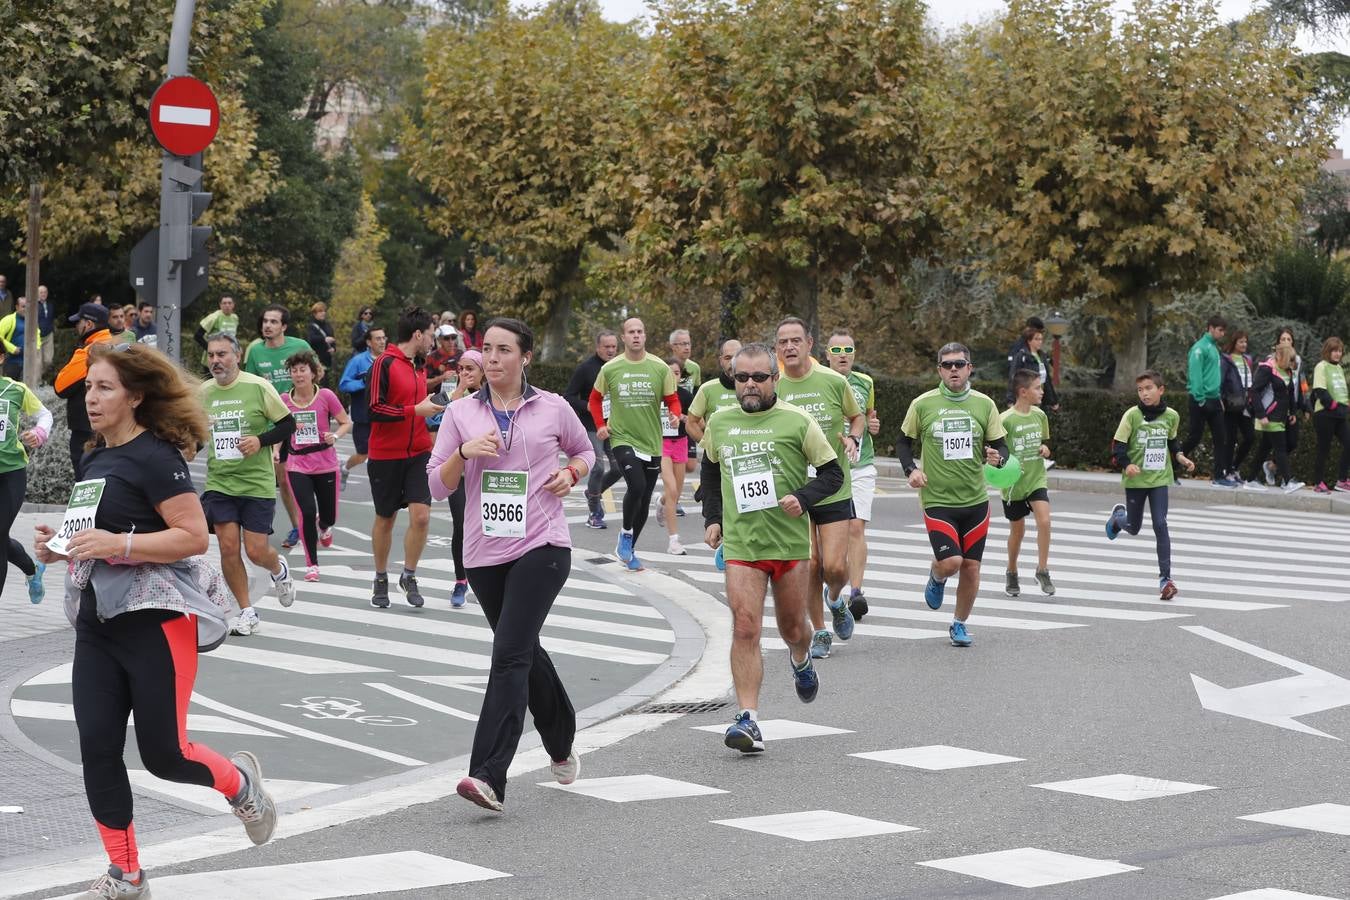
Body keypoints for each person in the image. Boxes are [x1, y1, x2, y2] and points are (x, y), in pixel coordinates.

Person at [33, 342, 277, 899]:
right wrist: (59, 547)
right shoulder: (94, 458)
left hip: (156, 624)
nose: (91, 399)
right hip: (99, 625)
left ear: (136, 396)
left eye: (104, 388)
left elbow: (193, 537)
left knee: (165, 754)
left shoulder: (155, 458)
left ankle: (241, 785)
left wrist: (118, 543)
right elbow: (88, 536)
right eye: (90, 388)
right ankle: (127, 874)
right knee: (97, 746)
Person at [428, 317, 593, 811]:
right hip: (482, 552)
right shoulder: (461, 412)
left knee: (509, 656)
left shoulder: (552, 407)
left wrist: (570, 472)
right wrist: (463, 451)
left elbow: (584, 451)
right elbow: (438, 484)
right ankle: (560, 740)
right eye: (487, 350)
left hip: (542, 545)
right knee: (521, 648)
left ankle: (487, 776)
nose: (493, 359)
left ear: (525, 358)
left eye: (504, 350)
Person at [699, 343, 840, 753]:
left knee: (793, 628)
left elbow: (831, 474)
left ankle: (801, 658)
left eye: (759, 377)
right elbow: (709, 469)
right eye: (741, 378)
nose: (750, 385)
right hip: (743, 545)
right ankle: (748, 719)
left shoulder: (798, 421)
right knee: (745, 627)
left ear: (774, 379)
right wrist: (713, 517)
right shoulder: (721, 422)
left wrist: (804, 496)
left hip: (789, 543)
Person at [898, 342, 1010, 648]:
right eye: (947, 365)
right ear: (939, 371)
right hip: (938, 500)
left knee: (972, 567)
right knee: (952, 562)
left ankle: (959, 624)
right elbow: (903, 442)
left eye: (959, 364)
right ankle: (937, 574)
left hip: (975, 500)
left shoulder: (984, 404)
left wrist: (997, 456)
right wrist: (911, 470)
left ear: (969, 368)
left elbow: (1001, 445)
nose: (954, 370)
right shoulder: (923, 404)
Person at [775, 317, 863, 659]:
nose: (790, 347)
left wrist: (854, 437)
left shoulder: (832, 381)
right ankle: (821, 630)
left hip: (832, 484)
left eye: (796, 340)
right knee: (810, 564)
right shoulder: (775, 384)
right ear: (777, 348)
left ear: (810, 344)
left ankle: (835, 599)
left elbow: (856, 417)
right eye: (783, 342)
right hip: (794, 489)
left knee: (836, 568)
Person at [200, 333, 299, 635]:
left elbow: (288, 424)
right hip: (220, 481)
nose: (216, 360)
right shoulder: (203, 392)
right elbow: (192, 430)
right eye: (211, 355)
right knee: (228, 548)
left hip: (256, 483)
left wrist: (260, 441)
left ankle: (278, 569)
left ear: (238, 356)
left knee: (256, 551)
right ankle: (247, 611)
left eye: (222, 354)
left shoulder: (258, 387)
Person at [367, 306, 445, 609]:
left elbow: (418, 402)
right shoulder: (383, 363)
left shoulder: (420, 365)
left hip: (419, 452)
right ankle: (381, 576)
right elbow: (374, 409)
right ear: (417, 334)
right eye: (430, 335)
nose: (433, 341)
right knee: (386, 519)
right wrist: (415, 411)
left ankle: (409, 575)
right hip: (386, 455)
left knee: (422, 516)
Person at [588, 317, 681, 572]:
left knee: (644, 497)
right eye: (631, 332)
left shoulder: (660, 367)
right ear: (624, 337)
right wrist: (600, 425)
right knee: (636, 486)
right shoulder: (611, 368)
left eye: (640, 331)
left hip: (651, 441)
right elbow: (594, 401)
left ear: (645, 336)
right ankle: (626, 535)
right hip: (622, 437)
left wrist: (674, 414)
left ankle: (628, 549)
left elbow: (672, 400)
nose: (636, 335)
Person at [1105, 369, 1195, 600]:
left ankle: (1166, 579)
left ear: (1161, 390)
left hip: (1159, 479)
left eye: (1148, 389)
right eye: (1140, 390)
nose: (1144, 394)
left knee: (1160, 523)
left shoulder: (1172, 416)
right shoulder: (1132, 416)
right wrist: (1127, 465)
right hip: (1136, 480)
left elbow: (1172, 442)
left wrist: (1181, 457)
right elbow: (1117, 448)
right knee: (1133, 527)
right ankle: (1117, 519)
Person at [824, 329, 881, 620]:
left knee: (856, 527)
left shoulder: (866, 382)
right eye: (837, 351)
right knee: (830, 536)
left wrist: (872, 427)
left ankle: (856, 592)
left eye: (848, 350)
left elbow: (869, 417)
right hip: (828, 468)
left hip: (861, 463)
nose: (843, 356)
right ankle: (831, 584)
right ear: (827, 355)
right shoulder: (819, 382)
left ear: (855, 354)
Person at [280, 351, 350, 583]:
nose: (298, 374)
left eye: (303, 370)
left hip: (326, 463)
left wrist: (335, 436)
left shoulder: (326, 396)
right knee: (306, 512)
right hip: (297, 463)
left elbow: (345, 422)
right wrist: (274, 450)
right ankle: (312, 565)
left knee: (328, 515)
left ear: (313, 373)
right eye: (294, 370)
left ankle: (325, 525)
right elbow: (280, 428)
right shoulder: (284, 400)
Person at [243, 305, 310, 547]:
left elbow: (316, 375)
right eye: (265, 321)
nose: (267, 325)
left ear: (284, 326)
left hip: (300, 420)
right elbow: (249, 384)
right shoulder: (255, 351)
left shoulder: (299, 346)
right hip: (273, 425)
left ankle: (313, 516)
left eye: (273, 322)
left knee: (305, 474)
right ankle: (296, 527)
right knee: (281, 478)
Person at [0, 345, 52, 604]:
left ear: (0, 358)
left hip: (10, 472)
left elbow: (45, 415)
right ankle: (33, 571)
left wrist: (39, 433)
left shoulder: (15, 390)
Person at [1000, 370, 1055, 597]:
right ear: (1023, 392)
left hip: (1036, 479)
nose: (1042, 392)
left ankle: (1042, 570)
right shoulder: (1005, 420)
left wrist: (1044, 449)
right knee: (1018, 532)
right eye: (1037, 388)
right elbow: (998, 450)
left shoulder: (1040, 416)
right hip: (1013, 484)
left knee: (1045, 520)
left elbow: (1044, 445)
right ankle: (1011, 570)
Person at [562, 329, 621, 529]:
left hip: (613, 426)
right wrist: (586, 405)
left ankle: (593, 493)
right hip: (591, 426)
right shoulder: (586, 368)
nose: (611, 350)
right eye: (607, 347)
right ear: (598, 348)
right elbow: (568, 396)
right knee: (597, 467)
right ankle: (594, 512)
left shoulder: (620, 367)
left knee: (619, 468)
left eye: (614, 347)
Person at [443, 350, 485, 608]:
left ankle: (482, 579)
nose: (465, 373)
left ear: (482, 371)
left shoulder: (491, 397)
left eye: (471, 369)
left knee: (486, 526)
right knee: (461, 524)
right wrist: (459, 389)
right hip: (458, 473)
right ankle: (461, 580)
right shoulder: (453, 396)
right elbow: (440, 420)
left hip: (485, 474)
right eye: (461, 369)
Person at [55, 303, 114, 480]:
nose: (76, 326)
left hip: (87, 430)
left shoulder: (91, 351)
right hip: (113, 428)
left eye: (78, 322)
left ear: (88, 324)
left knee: (87, 485)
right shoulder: (117, 346)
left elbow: (61, 386)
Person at [1180, 316, 1238, 487]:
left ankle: (1219, 476)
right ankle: (1170, 467)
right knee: (1194, 437)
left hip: (1214, 399)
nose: (1222, 333)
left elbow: (1213, 376)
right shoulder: (1199, 349)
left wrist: (1218, 398)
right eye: (1220, 330)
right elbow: (1195, 375)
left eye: (1223, 330)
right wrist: (1200, 399)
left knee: (1222, 438)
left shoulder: (1214, 348)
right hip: (1201, 400)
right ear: (1210, 328)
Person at [1245, 343, 1304, 494]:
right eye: (1290, 359)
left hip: (1281, 416)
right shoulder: (1267, 369)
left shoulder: (1287, 371)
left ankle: (1250, 479)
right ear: (1281, 357)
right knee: (1280, 448)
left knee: (1264, 449)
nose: (1293, 363)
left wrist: (1292, 412)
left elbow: (1290, 393)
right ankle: (1287, 481)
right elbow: (1255, 392)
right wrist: (1261, 414)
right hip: (1269, 416)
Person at [339, 326, 386, 490]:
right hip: (363, 417)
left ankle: (383, 485)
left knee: (384, 453)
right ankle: (344, 468)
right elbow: (344, 384)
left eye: (383, 338)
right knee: (363, 454)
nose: (381, 341)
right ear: (368, 342)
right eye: (378, 338)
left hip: (384, 416)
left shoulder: (389, 360)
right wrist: (363, 383)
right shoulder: (358, 361)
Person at [657, 358, 695, 555]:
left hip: (680, 443)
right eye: (669, 372)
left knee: (676, 493)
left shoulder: (686, 396)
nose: (673, 376)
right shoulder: (656, 395)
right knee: (671, 489)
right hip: (661, 444)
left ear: (681, 376)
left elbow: (700, 422)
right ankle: (674, 541)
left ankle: (662, 502)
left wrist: (684, 418)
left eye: (677, 373)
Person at [1219, 330, 1257, 488]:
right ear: (1234, 342)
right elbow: (1221, 380)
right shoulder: (1226, 359)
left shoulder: (1247, 359)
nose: (1244, 345)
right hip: (1231, 403)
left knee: (1250, 437)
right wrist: (1221, 398)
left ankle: (1234, 467)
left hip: (1246, 404)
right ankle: (1226, 471)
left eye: (1245, 342)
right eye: (1241, 341)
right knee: (1230, 439)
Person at [1311, 336, 1350, 493]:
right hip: (1325, 414)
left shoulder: (1339, 368)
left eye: (1340, 351)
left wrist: (1346, 404)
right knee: (1324, 449)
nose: (1337, 354)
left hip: (1340, 414)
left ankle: (1341, 481)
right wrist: (1333, 405)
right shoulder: (1321, 366)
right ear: (1328, 351)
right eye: (1334, 350)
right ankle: (1318, 483)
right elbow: (1320, 390)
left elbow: (1340, 390)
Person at [685, 338, 742, 443]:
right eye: (727, 358)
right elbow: (690, 423)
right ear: (721, 360)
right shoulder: (707, 389)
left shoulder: (755, 387)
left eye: (737, 357)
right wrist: (707, 447)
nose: (732, 362)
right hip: (717, 457)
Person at [1273, 327, 1310, 482]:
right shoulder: (1273, 359)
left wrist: (1306, 406)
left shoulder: (1298, 361)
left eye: (1289, 339)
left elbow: (1302, 384)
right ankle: (1285, 479)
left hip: (1292, 408)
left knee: (1292, 442)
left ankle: (1271, 465)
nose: (1287, 342)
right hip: (1276, 408)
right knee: (1277, 445)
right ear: (1278, 343)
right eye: (1283, 339)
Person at [670, 329, 702, 494]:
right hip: (669, 420)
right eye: (682, 344)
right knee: (674, 463)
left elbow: (697, 394)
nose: (687, 347)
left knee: (690, 465)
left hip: (687, 419)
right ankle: (672, 497)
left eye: (688, 343)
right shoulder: (666, 366)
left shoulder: (694, 368)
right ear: (673, 346)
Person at [1006, 324, 1060, 412]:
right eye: (1036, 339)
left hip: (1040, 397)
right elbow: (1013, 377)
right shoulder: (1022, 356)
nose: (1040, 342)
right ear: (1029, 341)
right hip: (1027, 396)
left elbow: (1047, 380)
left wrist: (1053, 400)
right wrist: (1010, 400)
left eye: (1041, 339)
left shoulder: (1042, 356)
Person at [0, 296, 37, 380]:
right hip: (12, 360)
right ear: (17, 307)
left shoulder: (32, 320)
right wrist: (12, 348)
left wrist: (36, 348)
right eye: (23, 306)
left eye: (27, 307)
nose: (26, 309)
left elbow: (37, 335)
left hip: (28, 360)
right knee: (10, 386)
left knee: (25, 387)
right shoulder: (8, 319)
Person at [195, 296, 239, 365]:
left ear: (233, 304)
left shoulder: (235, 318)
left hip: (228, 360)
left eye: (229, 303)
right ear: (220, 305)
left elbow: (233, 337)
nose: (227, 305)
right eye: (224, 303)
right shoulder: (214, 317)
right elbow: (197, 336)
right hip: (212, 361)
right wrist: (211, 350)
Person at [304, 302, 337, 379]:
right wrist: (324, 339)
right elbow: (311, 339)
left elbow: (332, 339)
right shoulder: (311, 326)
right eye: (320, 311)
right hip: (317, 358)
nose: (323, 313)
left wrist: (334, 348)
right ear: (315, 313)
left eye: (324, 311)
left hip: (327, 359)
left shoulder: (328, 325)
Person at [426, 325, 461, 395]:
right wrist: (442, 378)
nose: (451, 341)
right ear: (439, 340)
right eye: (446, 338)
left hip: (459, 397)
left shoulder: (461, 354)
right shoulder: (431, 358)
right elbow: (424, 384)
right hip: (438, 399)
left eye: (453, 338)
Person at [36, 285, 55, 369]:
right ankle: (38, 381)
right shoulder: (34, 305)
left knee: (48, 360)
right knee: (38, 362)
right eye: (41, 292)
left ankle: (41, 376)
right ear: (37, 294)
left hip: (48, 335)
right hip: (37, 336)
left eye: (45, 292)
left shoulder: (51, 304)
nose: (43, 294)